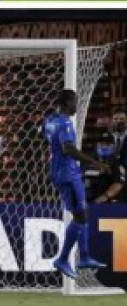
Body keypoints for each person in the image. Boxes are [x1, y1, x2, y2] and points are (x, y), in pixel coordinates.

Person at [44, 89, 109, 279]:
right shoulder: (64, 122)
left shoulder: (49, 120)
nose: (76, 106)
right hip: (68, 174)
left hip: (61, 172)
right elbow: (68, 148)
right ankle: (65, 258)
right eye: (74, 102)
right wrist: (95, 163)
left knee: (82, 213)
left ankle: (84, 256)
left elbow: (48, 140)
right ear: (65, 104)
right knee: (81, 216)